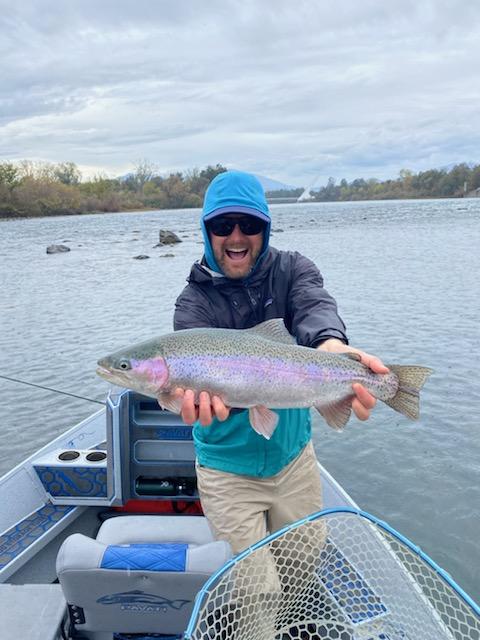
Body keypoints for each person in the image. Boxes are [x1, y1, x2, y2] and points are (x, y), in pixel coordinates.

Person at [173, 170, 388, 555]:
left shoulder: (292, 270)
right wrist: (178, 400)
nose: (236, 237)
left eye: (250, 225)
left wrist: (332, 346)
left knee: (303, 564)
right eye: (223, 225)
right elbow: (186, 390)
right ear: (207, 231)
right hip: (227, 471)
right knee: (257, 590)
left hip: (295, 460)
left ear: (266, 228)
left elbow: (315, 306)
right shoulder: (193, 303)